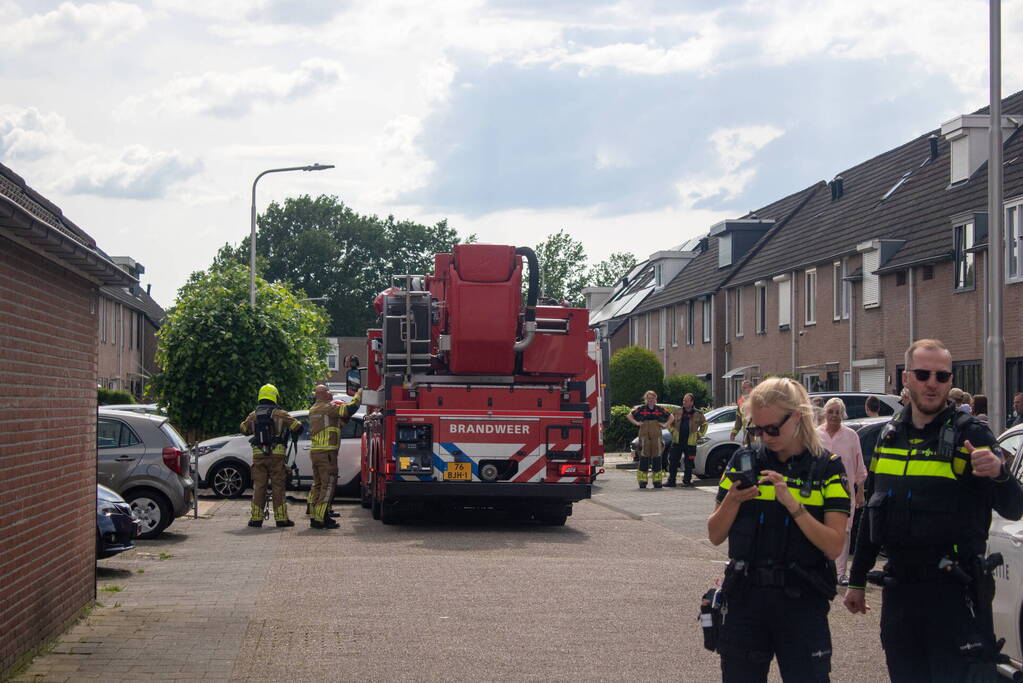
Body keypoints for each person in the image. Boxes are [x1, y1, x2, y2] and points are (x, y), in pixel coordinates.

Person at [843, 339, 1023, 681]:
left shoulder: (972, 435)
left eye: (942, 376)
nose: (933, 383)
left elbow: (1015, 508)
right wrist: (856, 580)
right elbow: (872, 512)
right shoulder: (889, 435)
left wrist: (999, 474)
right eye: (924, 374)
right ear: (906, 379)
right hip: (900, 594)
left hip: (954, 593)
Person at [707, 378, 849, 682]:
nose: (765, 437)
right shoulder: (743, 462)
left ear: (797, 417)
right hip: (747, 598)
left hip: (801, 601)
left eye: (772, 429)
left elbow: (834, 546)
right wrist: (731, 500)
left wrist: (793, 505)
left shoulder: (828, 468)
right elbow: (715, 534)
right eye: (757, 430)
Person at [816, 398, 866, 586]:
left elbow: (859, 464)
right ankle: (821, 568)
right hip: (820, 491)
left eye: (838, 412)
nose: (834, 416)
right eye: (831, 412)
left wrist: (860, 490)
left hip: (845, 493)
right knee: (820, 527)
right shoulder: (816, 434)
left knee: (844, 531)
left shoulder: (851, 436)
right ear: (825, 413)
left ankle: (840, 573)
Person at [240, 384, 304, 528]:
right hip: (277, 457)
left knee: (259, 486)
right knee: (278, 487)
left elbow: (243, 429)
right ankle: (281, 519)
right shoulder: (281, 414)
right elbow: (298, 427)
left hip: (258, 456)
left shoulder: (253, 415)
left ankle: (256, 519)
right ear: (275, 396)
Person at [307, 385, 362, 529]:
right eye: (328, 391)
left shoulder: (314, 410)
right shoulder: (327, 408)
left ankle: (315, 515)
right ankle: (321, 519)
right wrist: (358, 395)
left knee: (318, 485)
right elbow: (349, 409)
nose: (330, 393)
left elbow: (333, 425)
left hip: (316, 453)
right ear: (323, 394)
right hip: (327, 454)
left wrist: (343, 421)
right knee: (328, 485)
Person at [628, 391, 673, 489]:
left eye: (652, 398)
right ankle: (642, 482)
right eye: (648, 398)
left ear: (655, 399)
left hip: (656, 434)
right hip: (644, 434)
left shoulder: (659, 409)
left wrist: (665, 425)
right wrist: (637, 423)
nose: (650, 400)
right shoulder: (641, 409)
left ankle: (657, 482)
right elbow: (629, 415)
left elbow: (671, 417)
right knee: (644, 456)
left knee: (657, 456)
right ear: (646, 399)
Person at [666, 393, 707, 487]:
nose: (684, 402)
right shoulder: (677, 411)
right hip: (677, 441)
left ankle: (687, 481)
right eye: (683, 400)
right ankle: (671, 481)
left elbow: (704, 425)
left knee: (689, 463)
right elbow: (669, 422)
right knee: (673, 461)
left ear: (692, 402)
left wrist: (699, 435)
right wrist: (672, 431)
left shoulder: (698, 413)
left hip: (690, 443)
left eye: (686, 401)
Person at [730, 380, 754, 446]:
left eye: (745, 387)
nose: (743, 390)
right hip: (746, 434)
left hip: (756, 433)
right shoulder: (740, 401)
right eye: (742, 388)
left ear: (751, 388)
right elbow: (738, 420)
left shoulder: (757, 399)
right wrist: (734, 432)